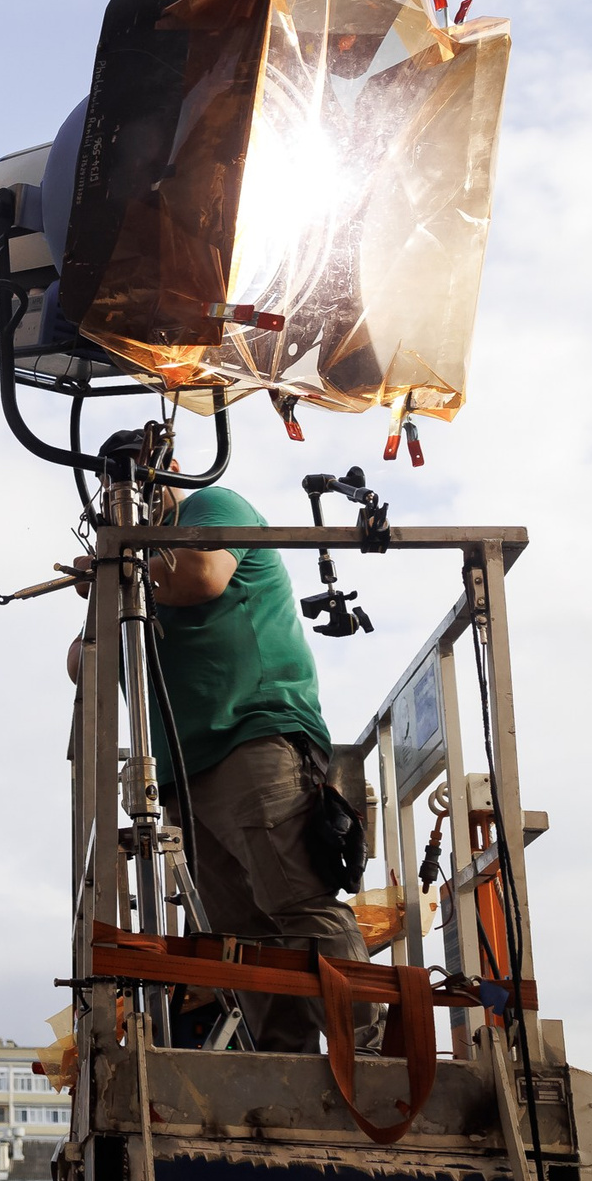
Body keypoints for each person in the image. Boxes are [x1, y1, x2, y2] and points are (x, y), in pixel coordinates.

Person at [70, 430, 371, 1053]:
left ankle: (375, 1051)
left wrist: (121, 575)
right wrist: (107, 583)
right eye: (114, 485)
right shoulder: (133, 565)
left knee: (296, 904)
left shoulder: (212, 506)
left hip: (250, 737)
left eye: (135, 480)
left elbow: (203, 574)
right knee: (243, 936)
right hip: (182, 768)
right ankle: (287, 1064)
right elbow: (83, 661)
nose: (126, 496)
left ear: (168, 470)